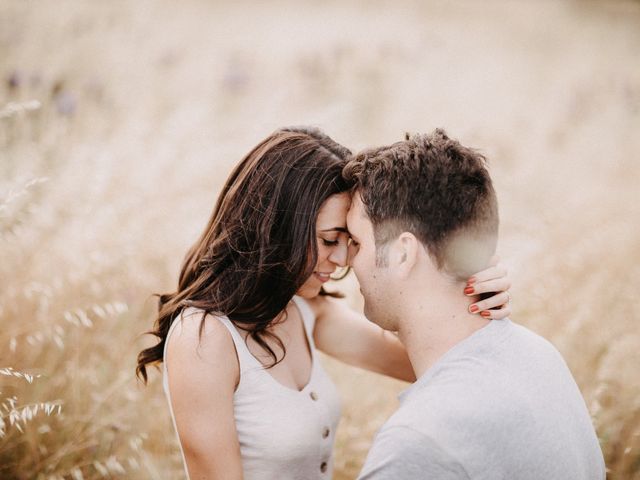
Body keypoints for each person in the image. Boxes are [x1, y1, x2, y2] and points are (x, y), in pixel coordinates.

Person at [136, 126, 512, 480]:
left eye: (349, 241)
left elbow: (429, 362)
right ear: (277, 230)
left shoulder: (304, 310)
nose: (343, 258)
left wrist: (471, 284)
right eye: (329, 239)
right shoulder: (202, 339)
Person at [343, 129, 606, 479]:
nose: (347, 259)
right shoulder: (539, 355)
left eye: (356, 243)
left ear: (403, 253)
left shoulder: (418, 445)